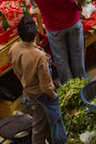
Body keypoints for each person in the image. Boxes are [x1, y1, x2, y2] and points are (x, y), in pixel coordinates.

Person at [10, 16, 67, 144]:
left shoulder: (14, 48)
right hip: (41, 96)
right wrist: (54, 97)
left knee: (42, 122)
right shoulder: (38, 56)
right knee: (40, 128)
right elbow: (45, 86)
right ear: (35, 33)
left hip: (27, 92)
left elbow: (16, 71)